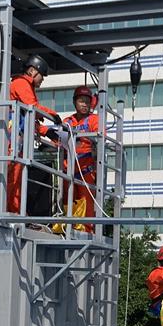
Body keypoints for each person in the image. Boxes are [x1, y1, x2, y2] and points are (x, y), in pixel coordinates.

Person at [6, 54, 62, 214]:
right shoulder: (21, 83)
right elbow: (33, 107)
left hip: (19, 137)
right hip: (13, 138)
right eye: (41, 77)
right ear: (32, 71)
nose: (41, 81)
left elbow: (30, 119)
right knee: (13, 175)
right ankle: (11, 210)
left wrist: (47, 132)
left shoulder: (25, 86)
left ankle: (15, 210)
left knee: (18, 175)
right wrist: (52, 114)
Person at [60, 85, 98, 231]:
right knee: (67, 201)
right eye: (81, 101)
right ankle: (67, 227)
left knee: (86, 203)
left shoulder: (94, 120)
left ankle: (86, 229)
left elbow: (101, 137)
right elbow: (59, 139)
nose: (84, 105)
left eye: (87, 102)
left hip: (85, 170)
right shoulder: (67, 121)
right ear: (75, 102)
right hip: (68, 169)